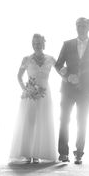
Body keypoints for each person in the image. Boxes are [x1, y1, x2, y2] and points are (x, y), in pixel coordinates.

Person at [55, 17, 89, 164]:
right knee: (64, 120)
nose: (80, 28)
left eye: (83, 26)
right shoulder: (67, 44)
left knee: (82, 121)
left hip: (86, 90)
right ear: (75, 27)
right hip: (68, 90)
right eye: (78, 26)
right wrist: (68, 76)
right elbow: (57, 65)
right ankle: (63, 152)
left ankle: (79, 152)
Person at [9, 34, 58, 163]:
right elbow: (19, 76)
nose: (37, 45)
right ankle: (27, 152)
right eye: (35, 43)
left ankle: (38, 152)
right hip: (30, 95)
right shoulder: (26, 59)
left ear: (44, 44)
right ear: (32, 44)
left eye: (39, 43)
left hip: (45, 95)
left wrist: (73, 76)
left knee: (42, 121)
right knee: (29, 122)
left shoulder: (51, 59)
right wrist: (25, 89)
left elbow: (62, 72)